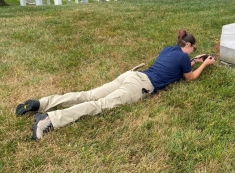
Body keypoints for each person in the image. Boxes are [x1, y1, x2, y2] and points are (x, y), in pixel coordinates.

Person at [16, 29, 216, 140]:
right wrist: (205, 64)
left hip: (130, 75)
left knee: (88, 94)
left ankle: (41, 103)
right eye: (193, 48)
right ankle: (49, 119)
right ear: (188, 45)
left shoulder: (168, 50)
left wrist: (194, 60)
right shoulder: (183, 57)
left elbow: (174, 68)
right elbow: (190, 77)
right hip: (140, 86)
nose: (193, 51)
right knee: (99, 105)